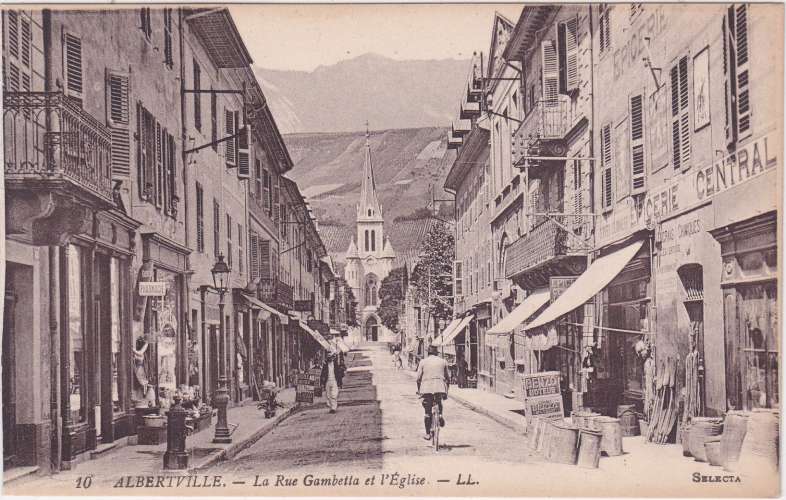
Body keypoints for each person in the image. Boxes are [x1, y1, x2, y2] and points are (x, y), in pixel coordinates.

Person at [416, 343, 450, 440]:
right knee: (439, 402)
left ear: (428, 353)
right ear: (437, 352)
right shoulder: (443, 361)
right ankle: (440, 415)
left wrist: (419, 390)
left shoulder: (423, 362)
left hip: (426, 388)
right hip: (440, 387)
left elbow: (418, 378)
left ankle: (427, 434)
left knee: (427, 411)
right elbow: (448, 378)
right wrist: (446, 392)